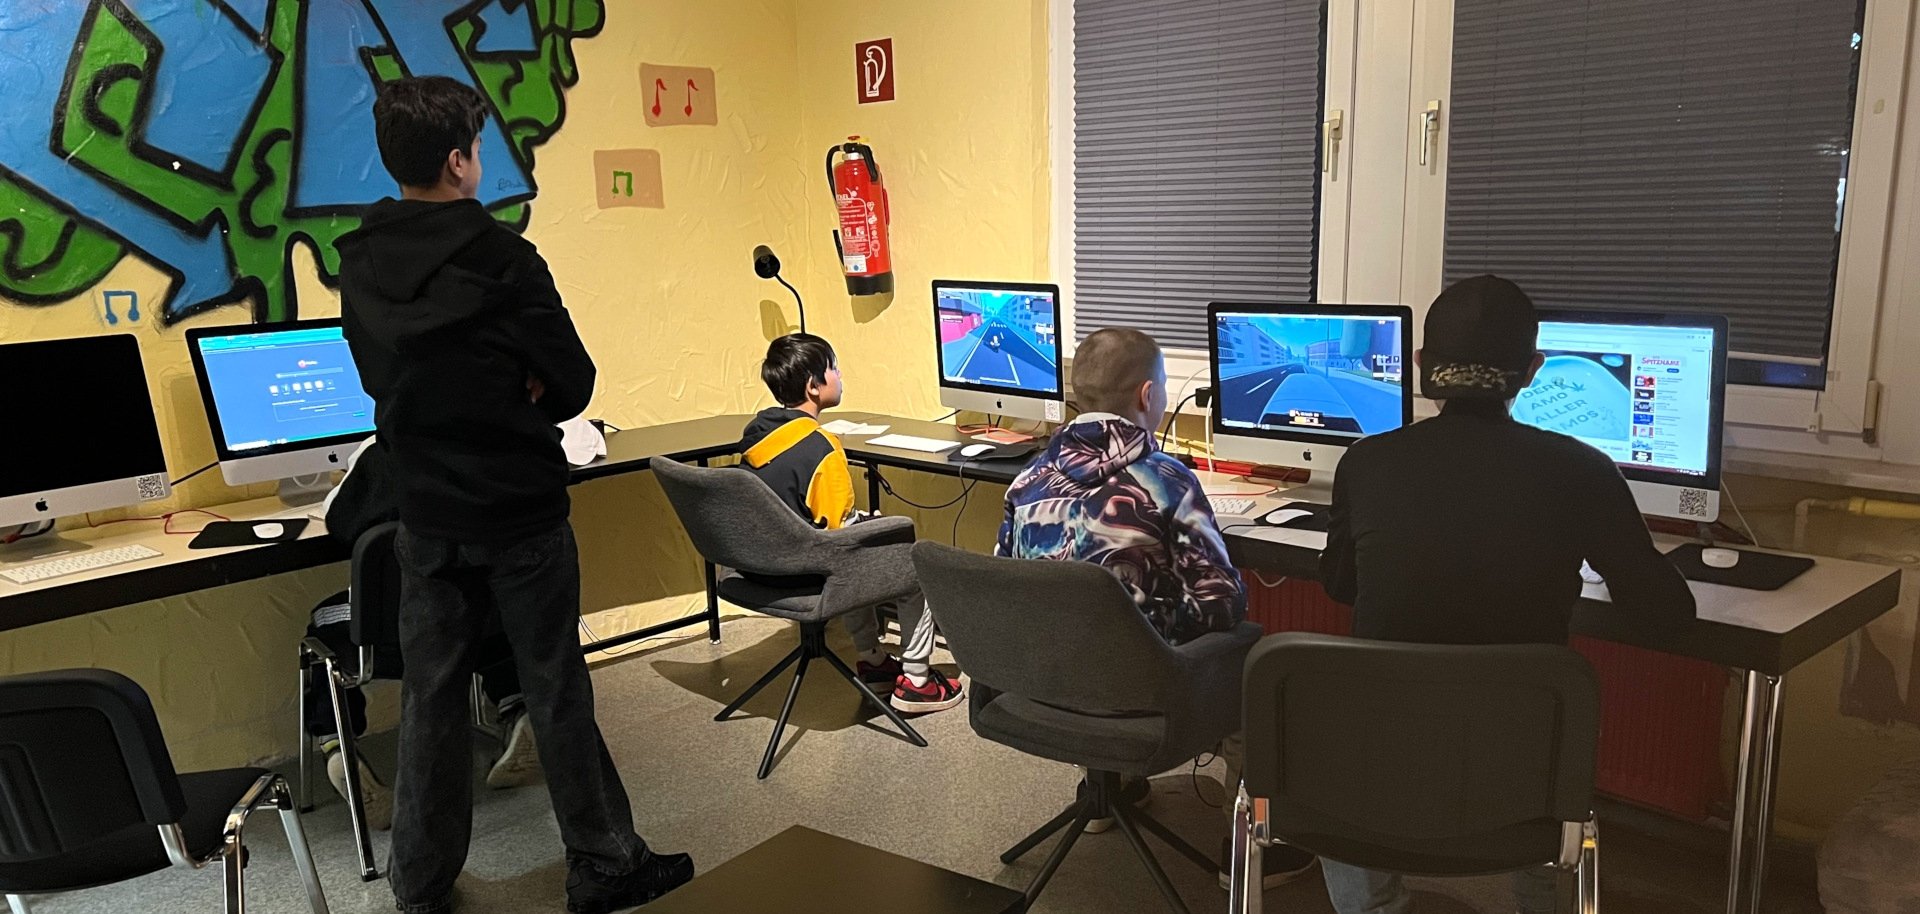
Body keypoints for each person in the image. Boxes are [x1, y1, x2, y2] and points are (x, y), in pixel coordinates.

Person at [336, 76, 691, 914]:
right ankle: (604, 863)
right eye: (479, 149)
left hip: (423, 514)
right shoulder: (503, 259)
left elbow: (379, 380)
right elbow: (571, 383)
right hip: (519, 512)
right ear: (460, 161)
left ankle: (419, 881)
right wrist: (516, 379)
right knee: (554, 686)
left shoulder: (359, 263)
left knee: (429, 701)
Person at [1319, 274, 1696, 914]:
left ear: (1422, 368)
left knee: (1329, 737)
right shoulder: (1581, 469)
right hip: (1521, 769)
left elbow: (1340, 584)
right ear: (1532, 371)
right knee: (1541, 749)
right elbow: (1667, 613)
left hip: (1381, 766)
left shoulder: (1366, 461)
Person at [995, 327, 1317, 888]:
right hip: (1138, 696)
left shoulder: (1025, 481)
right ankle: (1252, 848)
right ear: (1148, 396)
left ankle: (1102, 792)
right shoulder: (1164, 479)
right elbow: (1223, 605)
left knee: (1092, 630)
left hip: (1039, 685)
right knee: (1265, 674)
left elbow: (1008, 586)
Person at [301, 438, 542, 834]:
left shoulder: (376, 454)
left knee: (322, 624)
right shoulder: (493, 449)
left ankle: (336, 746)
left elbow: (338, 522)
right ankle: (517, 709)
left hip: (389, 641)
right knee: (492, 608)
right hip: (473, 626)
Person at [738, 332, 964, 713]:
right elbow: (838, 536)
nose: (840, 375)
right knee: (913, 564)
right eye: (834, 369)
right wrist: (868, 527)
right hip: (806, 574)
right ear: (814, 385)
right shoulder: (821, 449)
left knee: (862, 545)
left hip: (760, 568)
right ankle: (917, 683)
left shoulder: (756, 436)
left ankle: (873, 662)